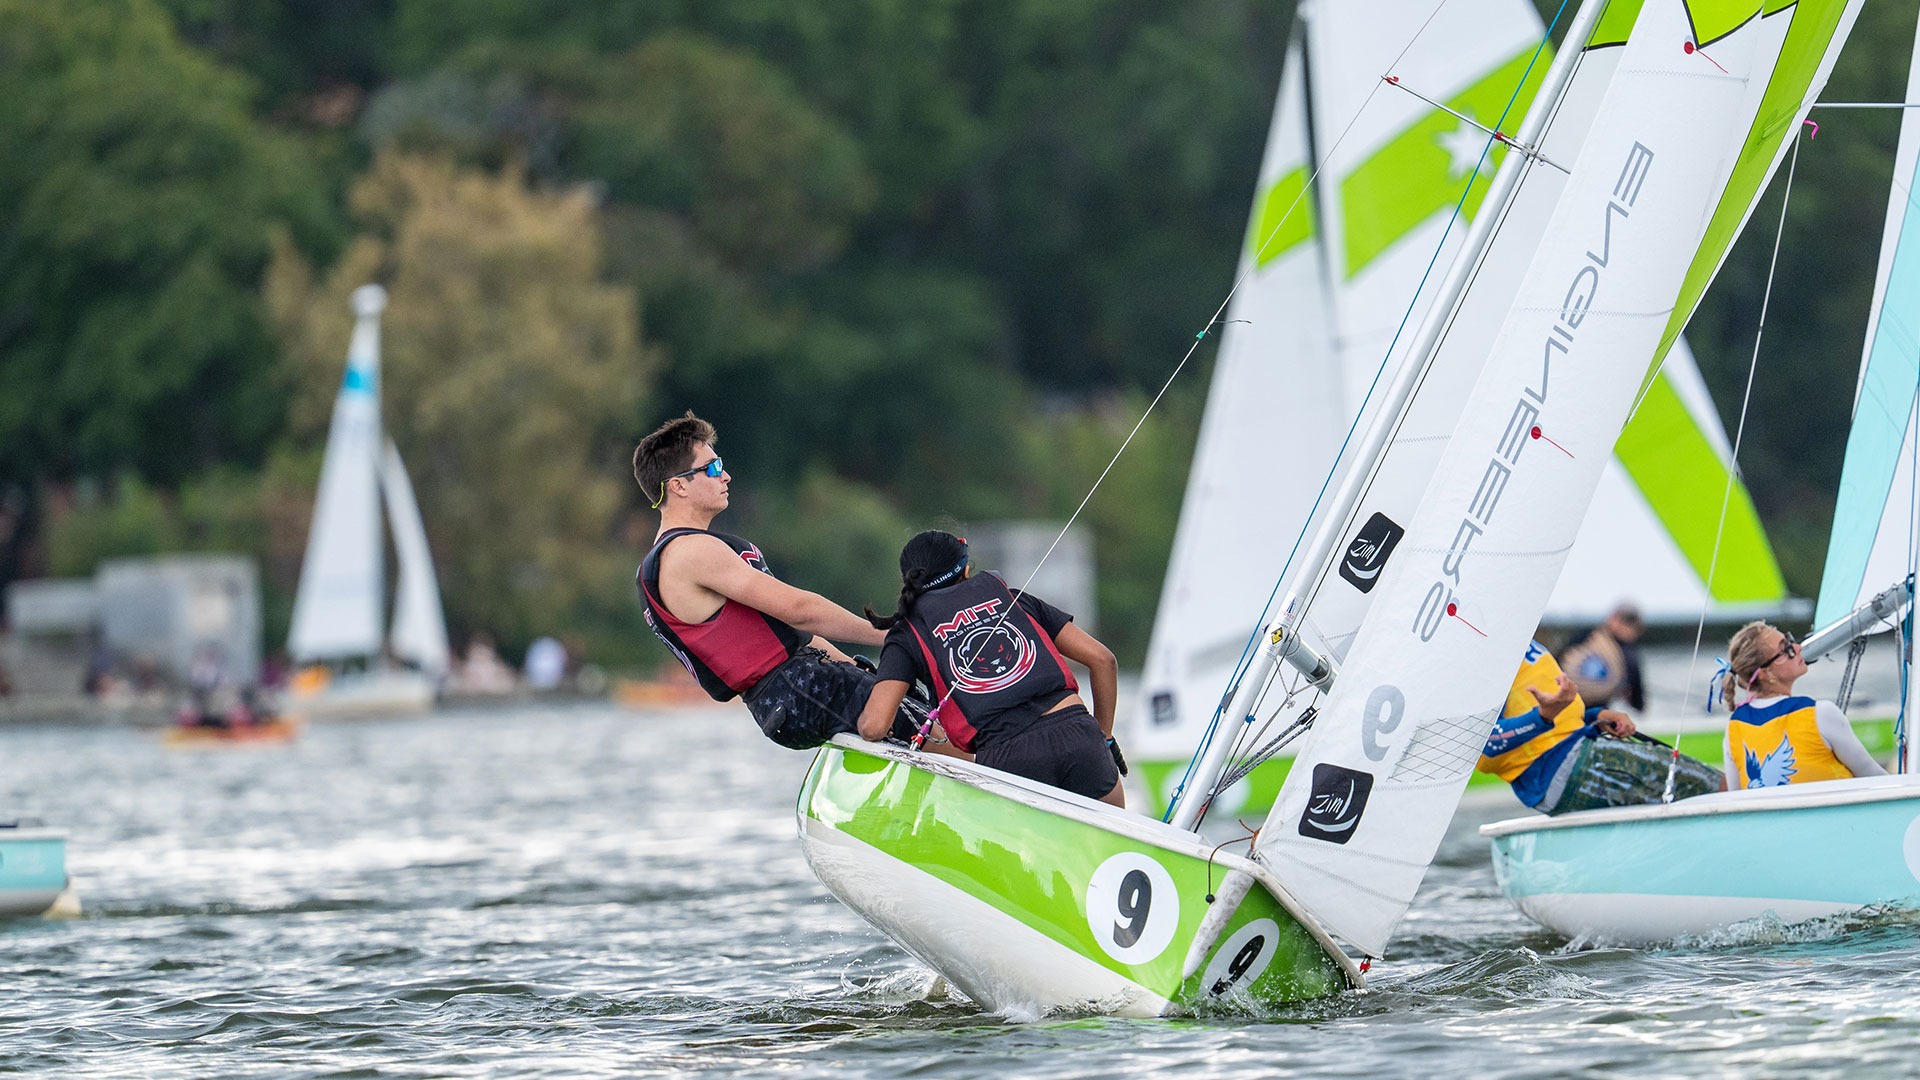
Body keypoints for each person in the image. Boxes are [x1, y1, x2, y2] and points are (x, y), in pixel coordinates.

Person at [633, 411, 933, 750]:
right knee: (952, 740)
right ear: (679, 485)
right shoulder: (691, 551)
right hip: (800, 687)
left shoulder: (666, 559)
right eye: (713, 468)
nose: (726, 476)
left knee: (912, 703)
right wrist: (896, 636)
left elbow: (794, 635)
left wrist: (858, 668)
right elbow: (800, 611)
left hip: (783, 704)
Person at [853, 530, 1126, 807]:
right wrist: (1104, 739)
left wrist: (857, 722)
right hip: (1079, 735)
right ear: (966, 570)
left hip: (1010, 758)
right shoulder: (1013, 599)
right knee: (1114, 834)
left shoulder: (906, 633)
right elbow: (1103, 660)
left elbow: (875, 726)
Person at [1479, 638, 1720, 814]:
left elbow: (1549, 714)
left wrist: (1597, 716)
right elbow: (1481, 741)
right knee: (1717, 787)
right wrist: (1543, 716)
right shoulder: (1480, 654)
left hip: (1568, 762)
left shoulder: (1510, 634)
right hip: (1565, 765)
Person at [1720, 621, 1886, 788]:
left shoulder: (1734, 727)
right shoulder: (1821, 714)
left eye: (1790, 640)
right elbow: (1877, 779)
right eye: (1785, 649)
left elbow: (1737, 796)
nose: (1798, 647)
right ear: (1765, 674)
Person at [1559, 603, 1646, 711]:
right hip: (1568, 702)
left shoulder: (1629, 655)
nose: (1622, 626)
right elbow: (1638, 703)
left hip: (1591, 710)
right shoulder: (1588, 636)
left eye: (1628, 623)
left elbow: (1637, 701)